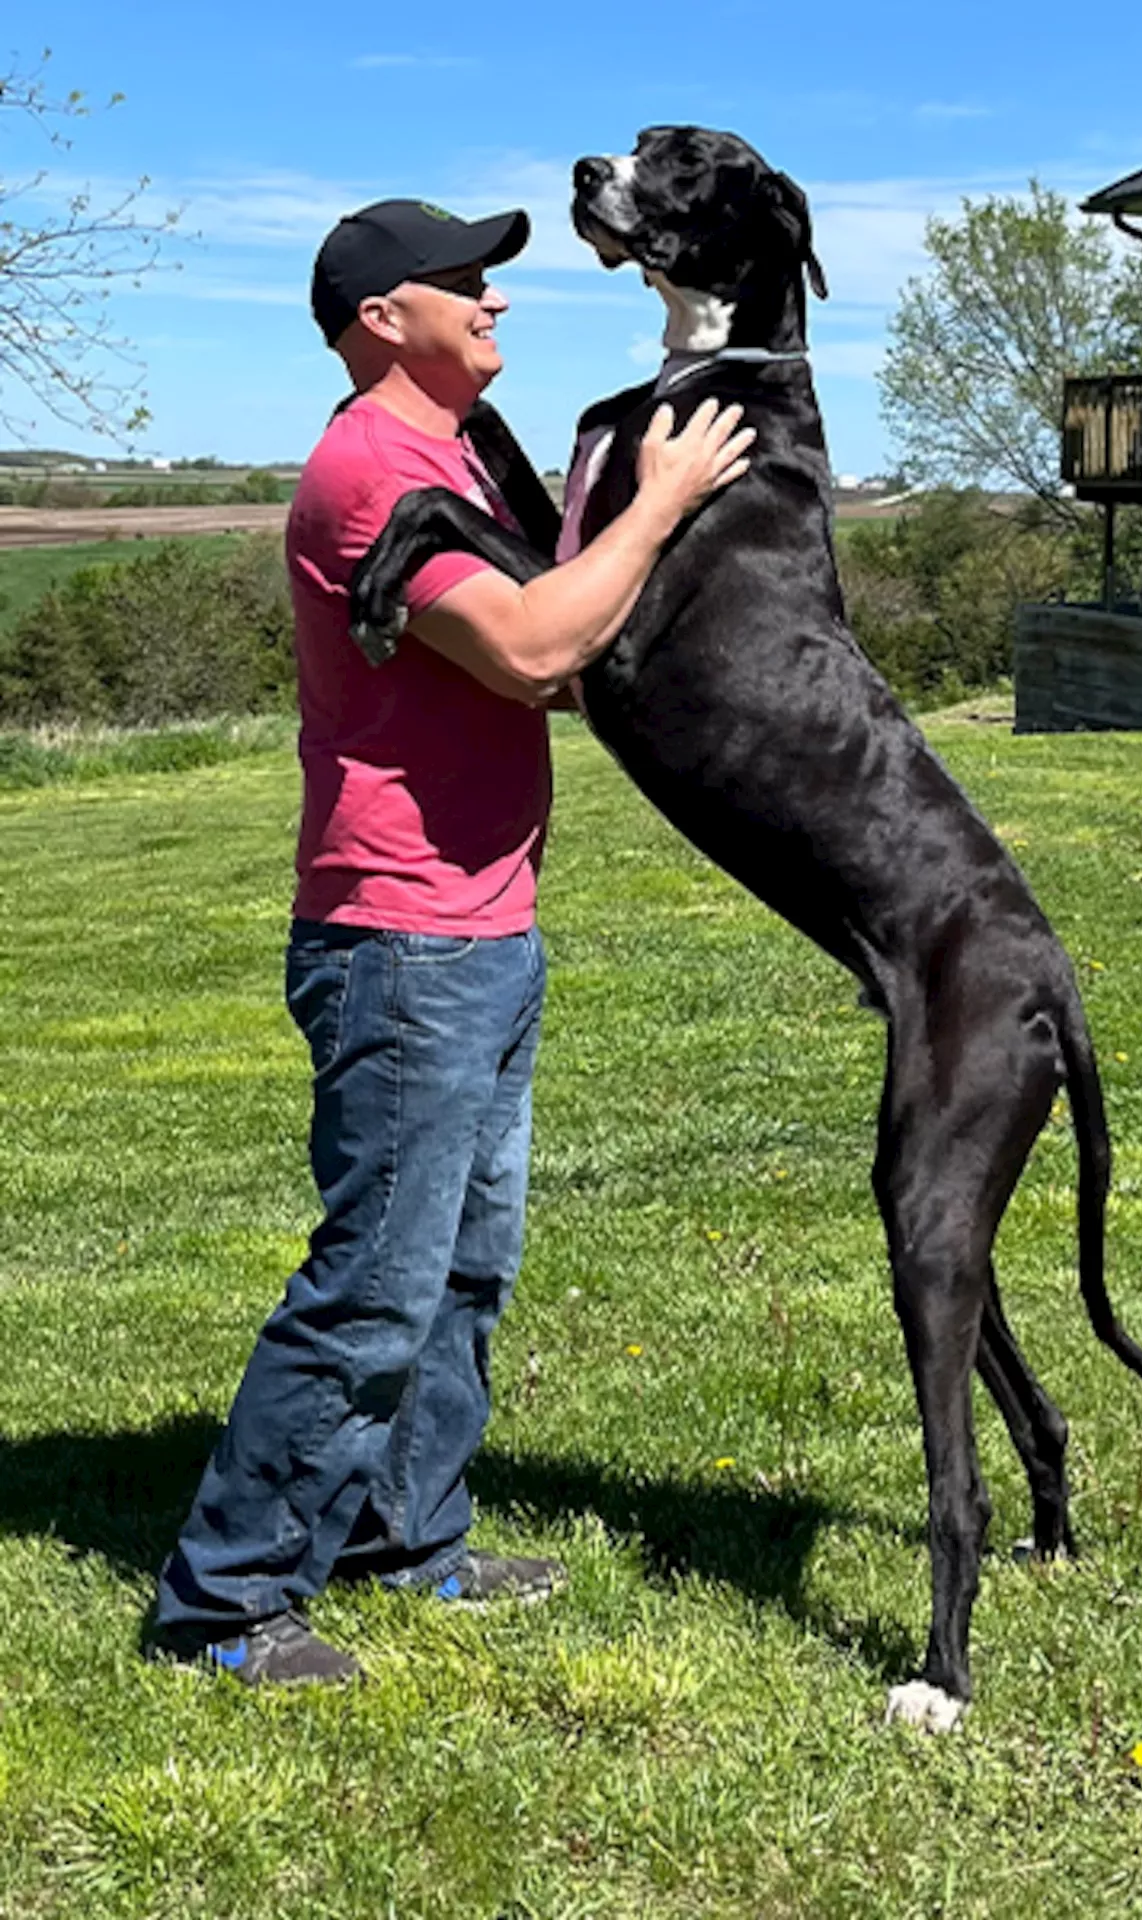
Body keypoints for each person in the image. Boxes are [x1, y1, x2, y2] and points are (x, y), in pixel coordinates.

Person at [150, 196, 753, 1684]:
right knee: (375, 1278)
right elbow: (544, 644)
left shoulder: (459, 456)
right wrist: (661, 498)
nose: (495, 304)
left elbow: (547, 647)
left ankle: (405, 1535)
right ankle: (223, 1603)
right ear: (379, 318)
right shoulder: (369, 471)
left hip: (485, 920)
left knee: (464, 1267)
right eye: (465, 285)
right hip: (402, 935)